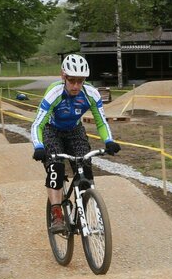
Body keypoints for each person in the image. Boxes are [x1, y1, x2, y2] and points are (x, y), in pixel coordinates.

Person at [31, 54, 121, 233]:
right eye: (72, 81)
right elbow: (38, 124)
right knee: (55, 168)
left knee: (85, 170)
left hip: (75, 130)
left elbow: (101, 121)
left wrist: (109, 140)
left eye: (80, 81)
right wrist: (39, 146)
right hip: (52, 130)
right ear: (63, 76)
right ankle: (57, 213)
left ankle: (85, 212)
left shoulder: (91, 94)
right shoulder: (54, 93)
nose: (76, 86)